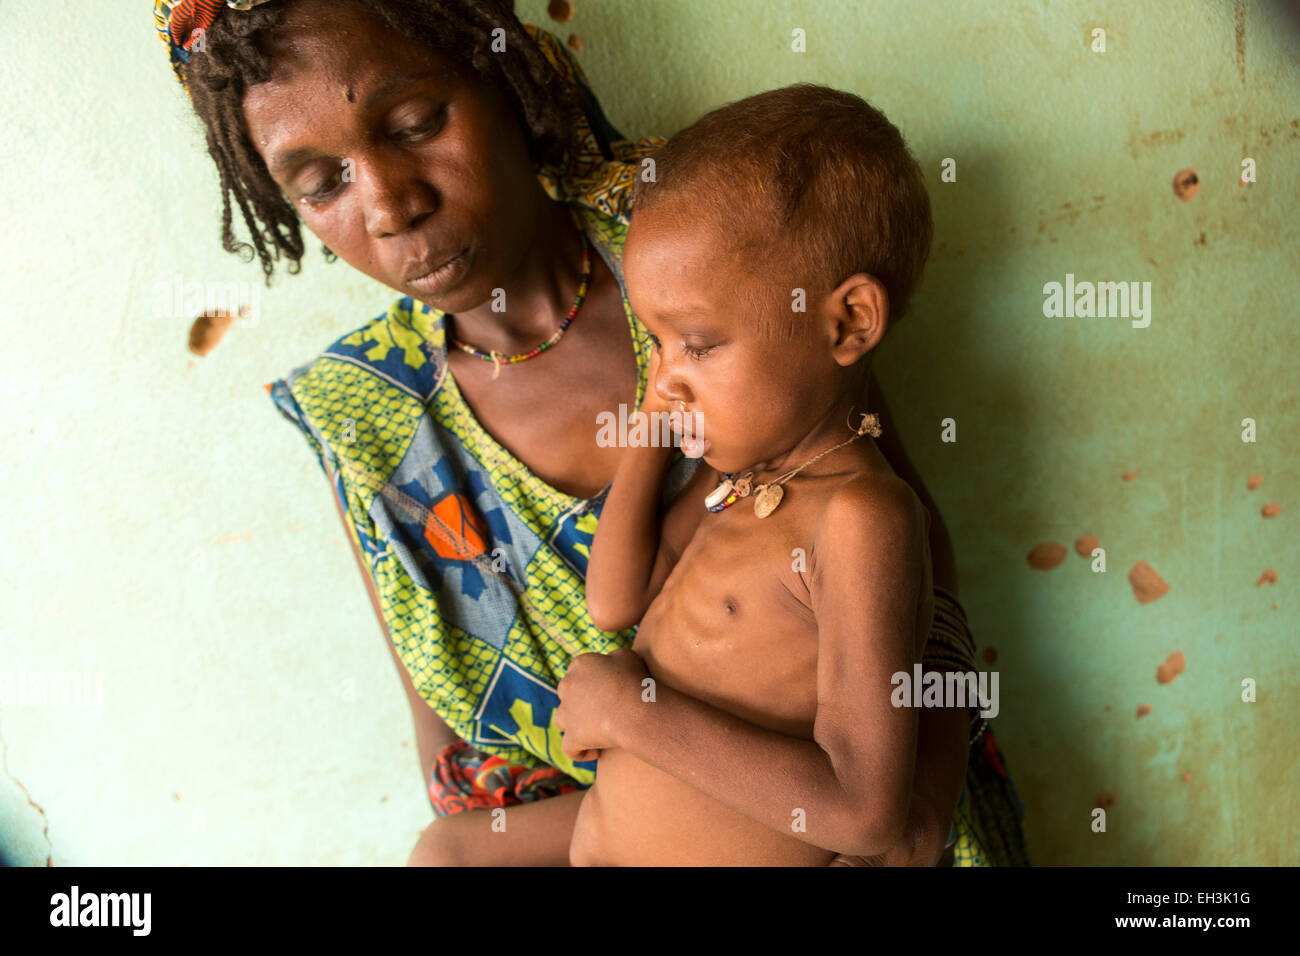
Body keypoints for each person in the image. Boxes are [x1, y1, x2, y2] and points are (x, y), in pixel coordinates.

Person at [154, 0, 1027, 865]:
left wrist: (919, 799)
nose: (390, 205)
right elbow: (460, 762)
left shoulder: (699, 249)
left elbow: (908, 571)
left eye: (418, 122)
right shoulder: (363, 415)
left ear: (499, 70)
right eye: (320, 184)